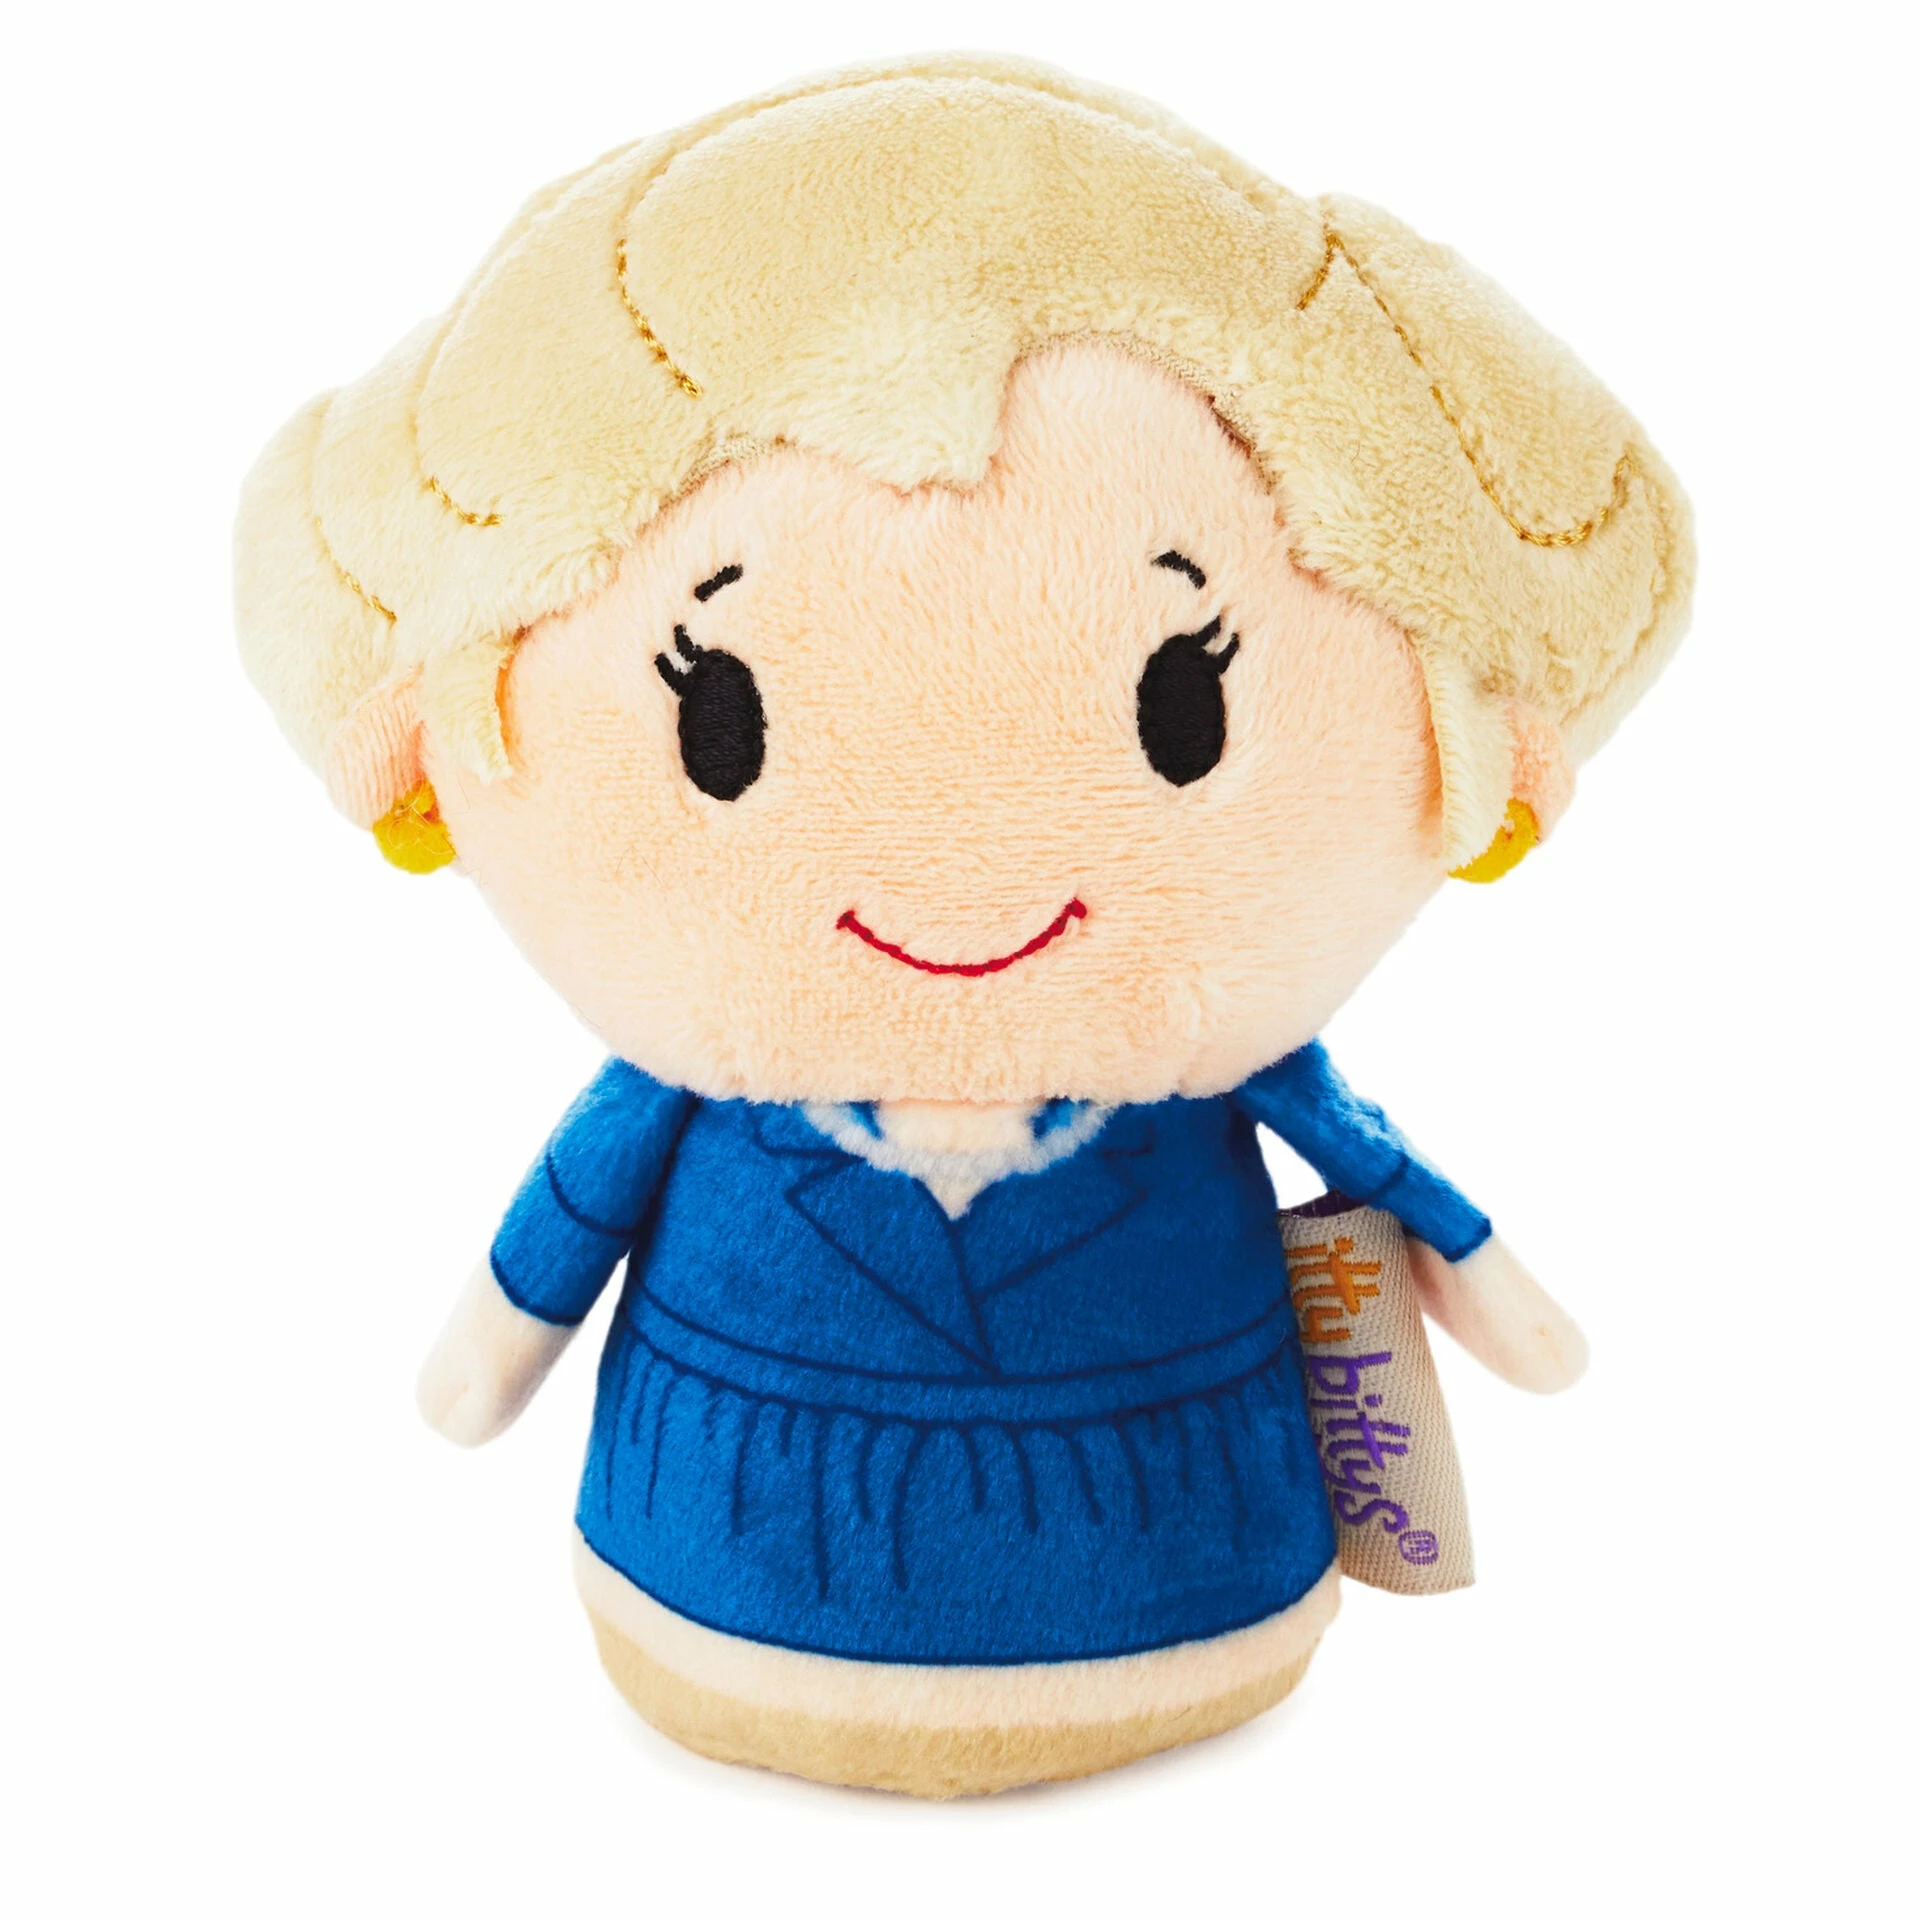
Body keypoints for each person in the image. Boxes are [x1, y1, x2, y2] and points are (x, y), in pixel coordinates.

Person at [236, 55, 1691, 1795]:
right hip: (757, 1570)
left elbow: (1384, 1180)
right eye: (718, 723)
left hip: (1145, 1574)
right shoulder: (711, 1081)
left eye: (1186, 712)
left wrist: (1480, 1271)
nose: (961, 885)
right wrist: (487, 1344)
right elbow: (547, 1250)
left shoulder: (1199, 1066)